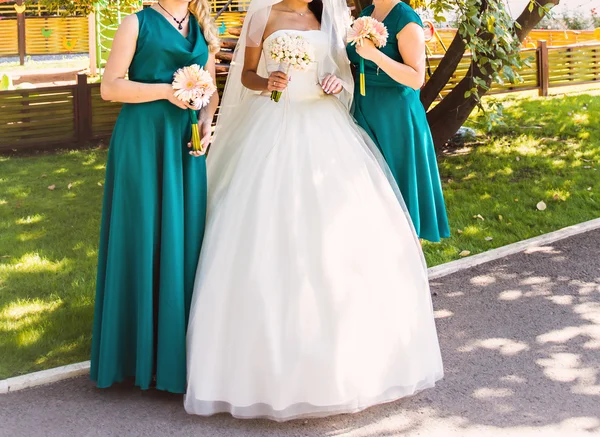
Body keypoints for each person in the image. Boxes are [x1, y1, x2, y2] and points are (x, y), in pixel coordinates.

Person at [183, 0, 443, 421]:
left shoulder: (330, 16)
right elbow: (246, 75)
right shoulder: (262, 16)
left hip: (326, 124)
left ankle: (352, 359)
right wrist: (268, 81)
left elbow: (343, 69)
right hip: (275, 121)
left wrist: (335, 84)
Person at [90, 0, 219, 394]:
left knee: (184, 239)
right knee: (142, 234)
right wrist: (167, 90)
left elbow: (210, 89)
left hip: (185, 144)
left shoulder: (201, 25)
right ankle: (134, 356)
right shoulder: (136, 22)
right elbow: (110, 87)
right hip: (143, 141)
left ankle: (175, 357)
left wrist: (205, 125)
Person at [347, 0, 450, 242]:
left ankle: (406, 253)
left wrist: (374, 55)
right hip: (365, 108)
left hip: (396, 115)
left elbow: (416, 78)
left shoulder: (405, 17)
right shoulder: (367, 13)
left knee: (398, 184)